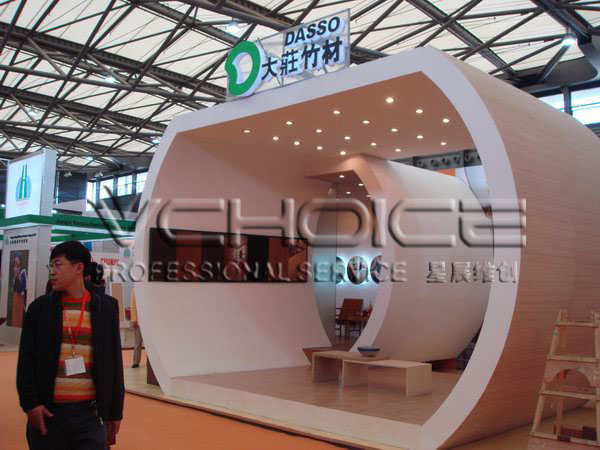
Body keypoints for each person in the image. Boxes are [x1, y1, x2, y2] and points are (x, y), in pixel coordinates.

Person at [17, 241, 124, 449]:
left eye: (58, 265)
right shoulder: (39, 310)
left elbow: (114, 364)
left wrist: (115, 412)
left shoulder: (104, 309)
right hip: (50, 414)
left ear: (79, 268)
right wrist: (30, 403)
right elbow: (26, 361)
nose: (52, 271)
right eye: (51, 266)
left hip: (91, 415)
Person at [130, 289, 144, 369]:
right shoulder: (135, 289)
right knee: (138, 343)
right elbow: (133, 305)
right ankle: (136, 362)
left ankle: (151, 363)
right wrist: (134, 319)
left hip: (148, 321)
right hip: (138, 321)